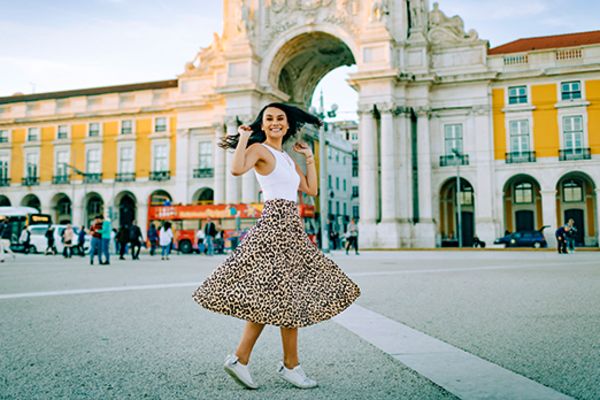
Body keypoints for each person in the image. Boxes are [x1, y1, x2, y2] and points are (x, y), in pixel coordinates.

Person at [192, 103, 361, 390]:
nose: (274, 122)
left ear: (287, 124)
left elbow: (311, 189)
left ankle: (245, 359)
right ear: (262, 124)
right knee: (287, 299)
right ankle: (287, 365)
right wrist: (244, 137)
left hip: (290, 227)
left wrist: (309, 158)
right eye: (269, 119)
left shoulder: (285, 157)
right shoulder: (261, 151)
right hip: (275, 225)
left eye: (280, 118)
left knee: (279, 300)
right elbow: (236, 169)